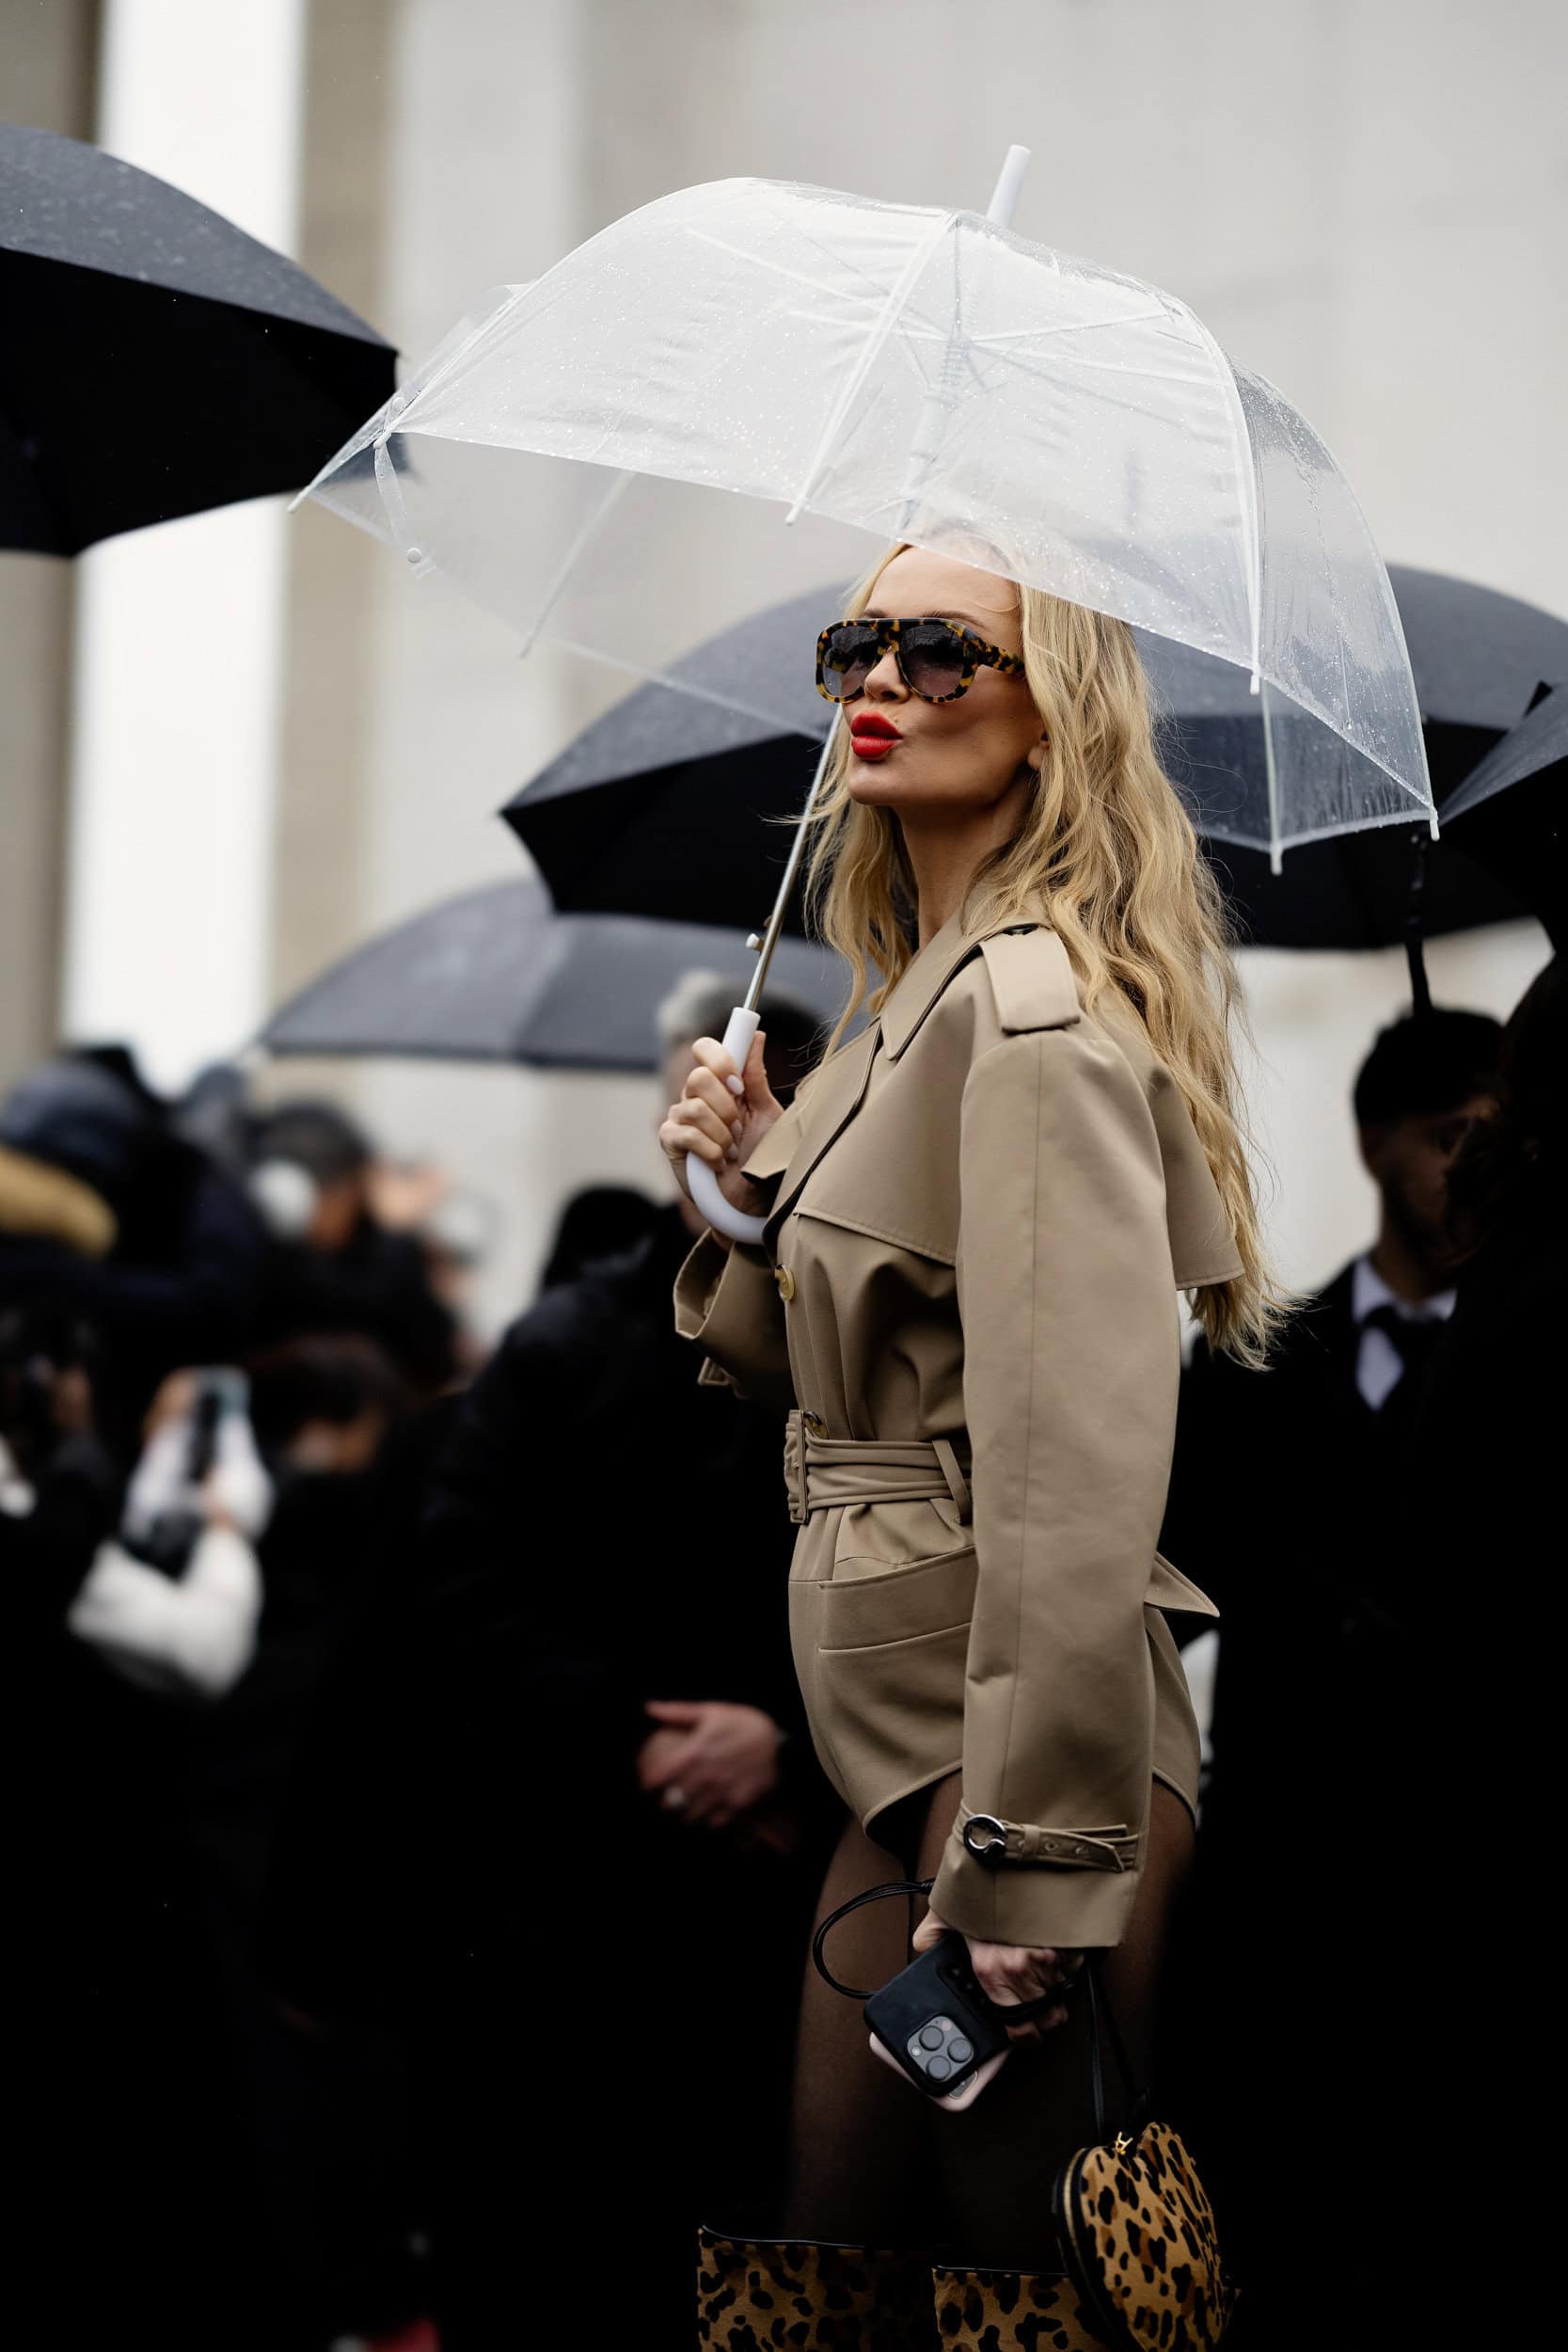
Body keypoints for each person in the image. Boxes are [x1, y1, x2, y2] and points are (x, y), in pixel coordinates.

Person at [660, 548, 1272, 2343]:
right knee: (818, 2275)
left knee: (1033, 2300)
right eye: (860, 640)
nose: (888, 674)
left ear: (1050, 709)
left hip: (1006, 1734)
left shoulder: (1030, 1017)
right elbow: (834, 1379)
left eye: (945, 650)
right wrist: (753, 1176)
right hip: (892, 1726)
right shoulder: (904, 1005)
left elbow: (1079, 1483)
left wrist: (1029, 1851)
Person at [1158, 1002, 1502, 2346]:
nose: (1472, 1168)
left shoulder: (1542, 1354)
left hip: (1467, 1894)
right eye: (1447, 1136)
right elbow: (1166, 1586)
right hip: (1281, 1892)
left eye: (1499, 1137)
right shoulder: (1254, 1365)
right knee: (1269, 2246)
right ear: (1376, 1147)